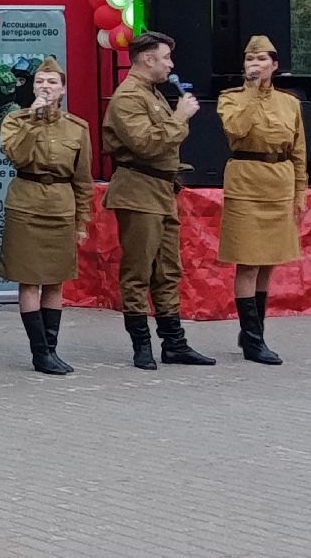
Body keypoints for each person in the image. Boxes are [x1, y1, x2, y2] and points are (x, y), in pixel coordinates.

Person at [101, 30, 213, 369]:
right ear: (148, 59)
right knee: (139, 269)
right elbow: (146, 144)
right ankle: (141, 344)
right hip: (138, 191)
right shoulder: (128, 97)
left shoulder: (153, 94)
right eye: (166, 58)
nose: (171, 65)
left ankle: (174, 342)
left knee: (168, 269)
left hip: (162, 190)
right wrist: (180, 117)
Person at [217, 34, 309, 365]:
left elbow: (299, 151)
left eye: (260, 61)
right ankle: (253, 341)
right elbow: (236, 131)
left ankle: (254, 330)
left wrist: (300, 191)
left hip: (279, 182)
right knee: (248, 259)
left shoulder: (291, 103)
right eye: (249, 60)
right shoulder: (230, 99)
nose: (254, 65)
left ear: (274, 66)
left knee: (269, 260)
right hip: (246, 180)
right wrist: (252, 94)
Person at [0, 58, 93, 375]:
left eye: (52, 82)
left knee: (55, 281)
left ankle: (52, 350)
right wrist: (34, 122)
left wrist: (82, 223)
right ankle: (39, 353)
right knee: (29, 280)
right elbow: (18, 156)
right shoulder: (15, 121)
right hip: (26, 205)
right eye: (40, 82)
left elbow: (82, 180)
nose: (45, 87)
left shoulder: (78, 128)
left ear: (63, 89)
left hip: (61, 207)